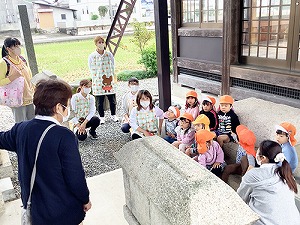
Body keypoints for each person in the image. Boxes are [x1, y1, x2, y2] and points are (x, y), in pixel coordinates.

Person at [0, 79, 91, 224]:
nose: (68, 109)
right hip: (61, 211)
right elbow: (75, 175)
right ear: (58, 108)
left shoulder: (21, 129)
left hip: (34, 209)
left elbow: (1, 139)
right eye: (67, 104)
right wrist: (85, 198)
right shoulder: (64, 136)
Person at [237, 140, 300, 225]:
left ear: (263, 158)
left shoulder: (253, 175)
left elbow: (240, 199)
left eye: (258, 152)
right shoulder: (286, 174)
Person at [0, 37, 35, 122]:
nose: (18, 48)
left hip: (29, 98)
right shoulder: (4, 63)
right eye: (15, 46)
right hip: (16, 100)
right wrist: (12, 77)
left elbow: (29, 76)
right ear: (8, 49)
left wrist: (33, 88)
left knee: (33, 123)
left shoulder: (22, 59)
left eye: (18, 46)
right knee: (20, 124)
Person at [88, 36, 118, 124]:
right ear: (96, 44)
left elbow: (113, 65)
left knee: (112, 99)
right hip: (98, 81)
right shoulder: (92, 56)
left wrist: (114, 78)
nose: (101, 44)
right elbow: (90, 68)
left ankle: (113, 115)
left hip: (109, 80)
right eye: (99, 42)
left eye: (102, 42)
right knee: (99, 101)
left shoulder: (109, 54)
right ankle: (102, 117)